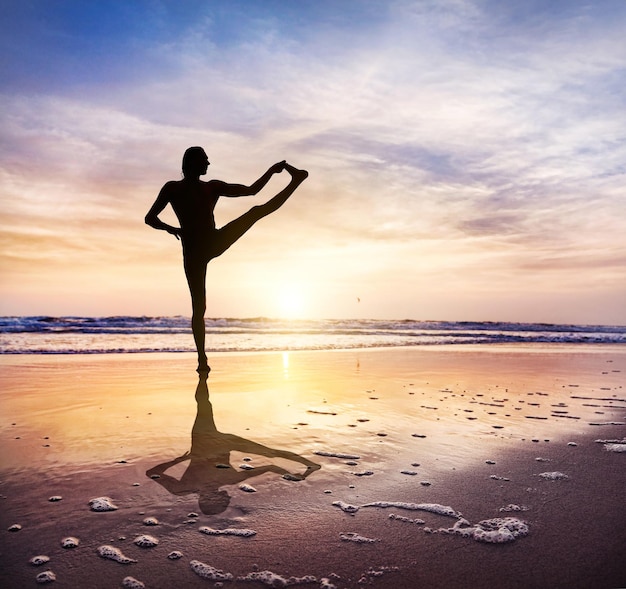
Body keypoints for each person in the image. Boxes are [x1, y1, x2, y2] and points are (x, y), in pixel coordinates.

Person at [145, 147, 308, 373]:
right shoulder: (173, 188)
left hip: (212, 241)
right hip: (194, 251)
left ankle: (296, 181)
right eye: (205, 160)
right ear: (192, 162)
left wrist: (271, 171)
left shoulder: (212, 187)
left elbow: (252, 190)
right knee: (199, 307)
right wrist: (173, 229)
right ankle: (202, 359)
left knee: (255, 211)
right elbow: (150, 218)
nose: (209, 164)